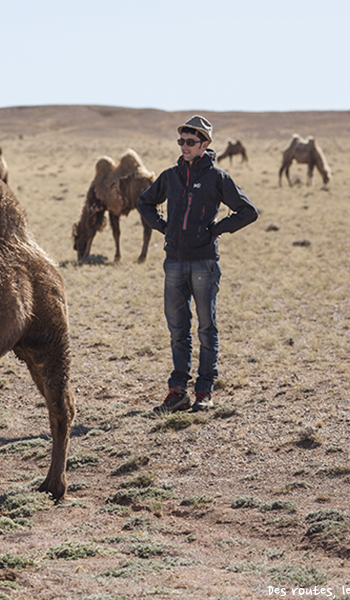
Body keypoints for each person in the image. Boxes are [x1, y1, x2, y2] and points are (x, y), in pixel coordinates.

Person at [137, 115, 258, 414]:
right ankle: (177, 392)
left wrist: (217, 229)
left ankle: (204, 391)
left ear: (204, 144)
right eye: (181, 141)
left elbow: (248, 211)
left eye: (190, 142)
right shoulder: (170, 176)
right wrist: (164, 227)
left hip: (204, 262)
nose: (184, 147)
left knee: (206, 329)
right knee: (178, 330)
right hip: (174, 262)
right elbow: (144, 203)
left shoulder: (217, 177)